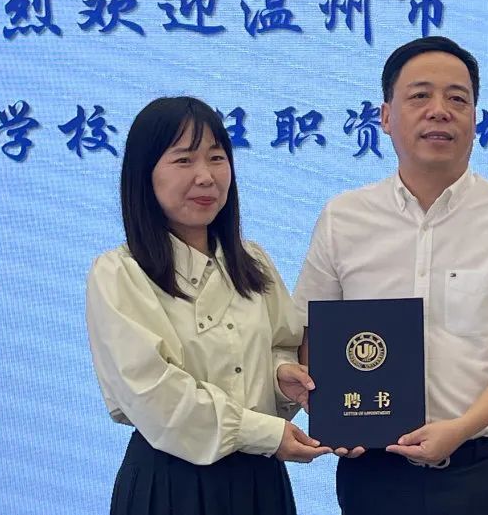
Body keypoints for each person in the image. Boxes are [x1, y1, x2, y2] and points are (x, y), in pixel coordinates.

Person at [293, 37, 488, 515]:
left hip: (483, 471)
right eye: (420, 95)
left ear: (475, 118)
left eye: (457, 98)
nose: (440, 110)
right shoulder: (343, 217)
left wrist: (462, 428)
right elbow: (311, 333)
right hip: (373, 474)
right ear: (386, 117)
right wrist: (334, 416)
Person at [86, 96, 330, 515]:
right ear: (145, 174)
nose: (206, 177)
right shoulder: (120, 273)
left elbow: (280, 346)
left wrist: (281, 376)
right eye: (184, 160)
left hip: (260, 480)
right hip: (171, 484)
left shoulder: (253, 262)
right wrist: (263, 432)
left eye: (217, 158)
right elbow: (157, 396)